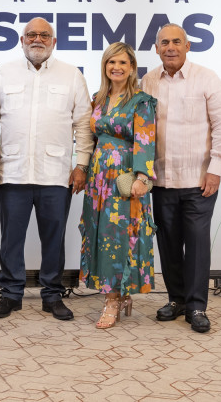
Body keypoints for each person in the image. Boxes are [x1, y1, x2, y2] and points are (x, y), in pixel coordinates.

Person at [0, 17, 93, 320]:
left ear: (54, 42)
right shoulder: (4, 73)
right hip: (13, 172)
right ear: (21, 40)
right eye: (31, 34)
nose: (37, 39)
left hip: (56, 174)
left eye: (44, 35)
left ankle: (52, 294)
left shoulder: (71, 75)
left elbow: (84, 123)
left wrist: (81, 165)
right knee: (11, 239)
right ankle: (10, 294)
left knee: (53, 239)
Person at [140, 23, 221, 333]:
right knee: (168, 243)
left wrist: (216, 168)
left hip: (199, 180)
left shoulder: (207, 79)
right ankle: (176, 299)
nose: (170, 47)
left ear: (188, 46)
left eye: (176, 41)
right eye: (164, 42)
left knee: (196, 244)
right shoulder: (147, 82)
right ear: (156, 48)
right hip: (162, 179)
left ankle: (196, 306)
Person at [79, 42, 157, 329]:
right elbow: (89, 138)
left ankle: (112, 298)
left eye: (123, 63)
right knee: (100, 233)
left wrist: (141, 178)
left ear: (132, 67)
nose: (117, 68)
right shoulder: (97, 99)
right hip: (98, 176)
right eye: (112, 62)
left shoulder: (141, 101)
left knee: (120, 235)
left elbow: (145, 141)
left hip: (124, 176)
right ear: (105, 66)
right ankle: (119, 294)